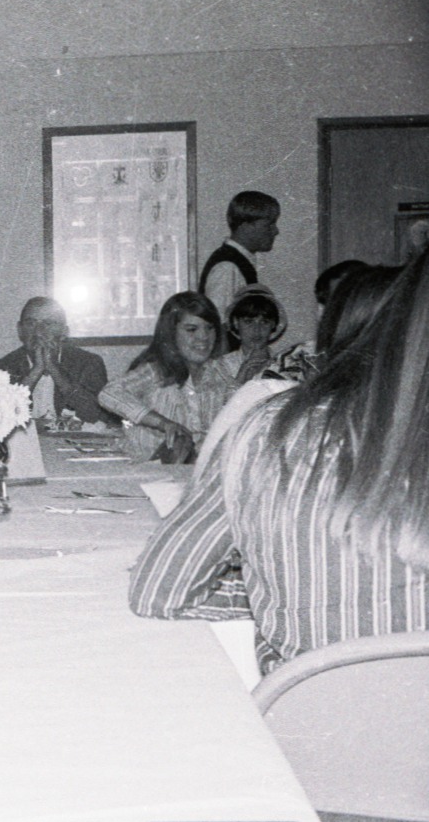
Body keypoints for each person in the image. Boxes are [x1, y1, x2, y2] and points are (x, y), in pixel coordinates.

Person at [129, 248, 429, 675]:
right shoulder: (243, 381)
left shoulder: (269, 422)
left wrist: (274, 588)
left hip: (307, 706)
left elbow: (161, 590)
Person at [197, 264, 399, 472]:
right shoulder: (293, 361)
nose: (257, 329)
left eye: (264, 321)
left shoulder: (396, 360)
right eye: (331, 302)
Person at [96, 291, 236, 462]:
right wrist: (163, 424)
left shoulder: (220, 374)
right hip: (142, 473)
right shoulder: (156, 370)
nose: (203, 337)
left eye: (210, 328)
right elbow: (109, 394)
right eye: (191, 329)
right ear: (171, 333)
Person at [0, 297, 111, 427]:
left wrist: (55, 369)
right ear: (20, 330)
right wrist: (35, 371)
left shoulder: (89, 363)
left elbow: (97, 416)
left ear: (64, 332)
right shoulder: (2, 367)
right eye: (31, 323)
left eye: (48, 323)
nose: (39, 332)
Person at [267, 258, 367, 382]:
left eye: (338, 304)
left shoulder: (388, 357)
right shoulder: (296, 359)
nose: (321, 314)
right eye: (323, 303)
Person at [199, 190, 280, 341]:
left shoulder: (239, 262)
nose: (276, 231)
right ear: (246, 225)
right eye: (269, 224)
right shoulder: (227, 267)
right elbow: (217, 328)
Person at [215, 284, 285, 385]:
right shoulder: (220, 367)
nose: (257, 330)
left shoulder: (282, 365)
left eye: (264, 322)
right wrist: (239, 380)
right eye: (248, 322)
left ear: (273, 324)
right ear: (236, 323)